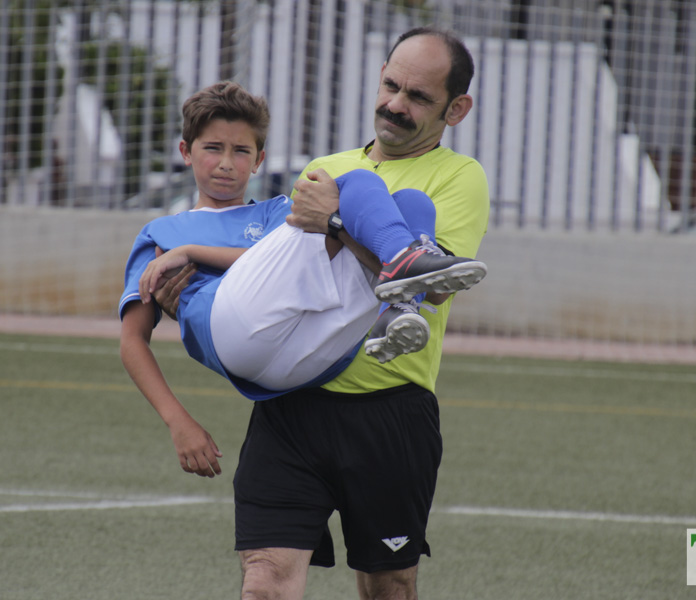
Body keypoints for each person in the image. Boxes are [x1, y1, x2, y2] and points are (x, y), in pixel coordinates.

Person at [153, 28, 489, 600]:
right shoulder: (327, 167)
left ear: (456, 109)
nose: (394, 105)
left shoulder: (461, 178)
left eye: (418, 98)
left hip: (389, 411)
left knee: (390, 586)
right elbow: (283, 273)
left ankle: (396, 290)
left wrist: (333, 222)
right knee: (264, 584)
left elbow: (436, 290)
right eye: (390, 85)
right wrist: (188, 287)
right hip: (292, 409)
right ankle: (396, 283)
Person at [119, 81, 486, 479]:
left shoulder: (278, 212)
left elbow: (310, 249)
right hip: (235, 334)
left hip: (309, 358)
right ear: (186, 153)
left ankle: (398, 304)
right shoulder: (163, 233)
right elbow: (132, 339)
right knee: (355, 182)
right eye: (213, 148)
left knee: (414, 202)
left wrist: (192, 254)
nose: (226, 162)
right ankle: (402, 278)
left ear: (259, 159)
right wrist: (179, 422)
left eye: (241, 151)